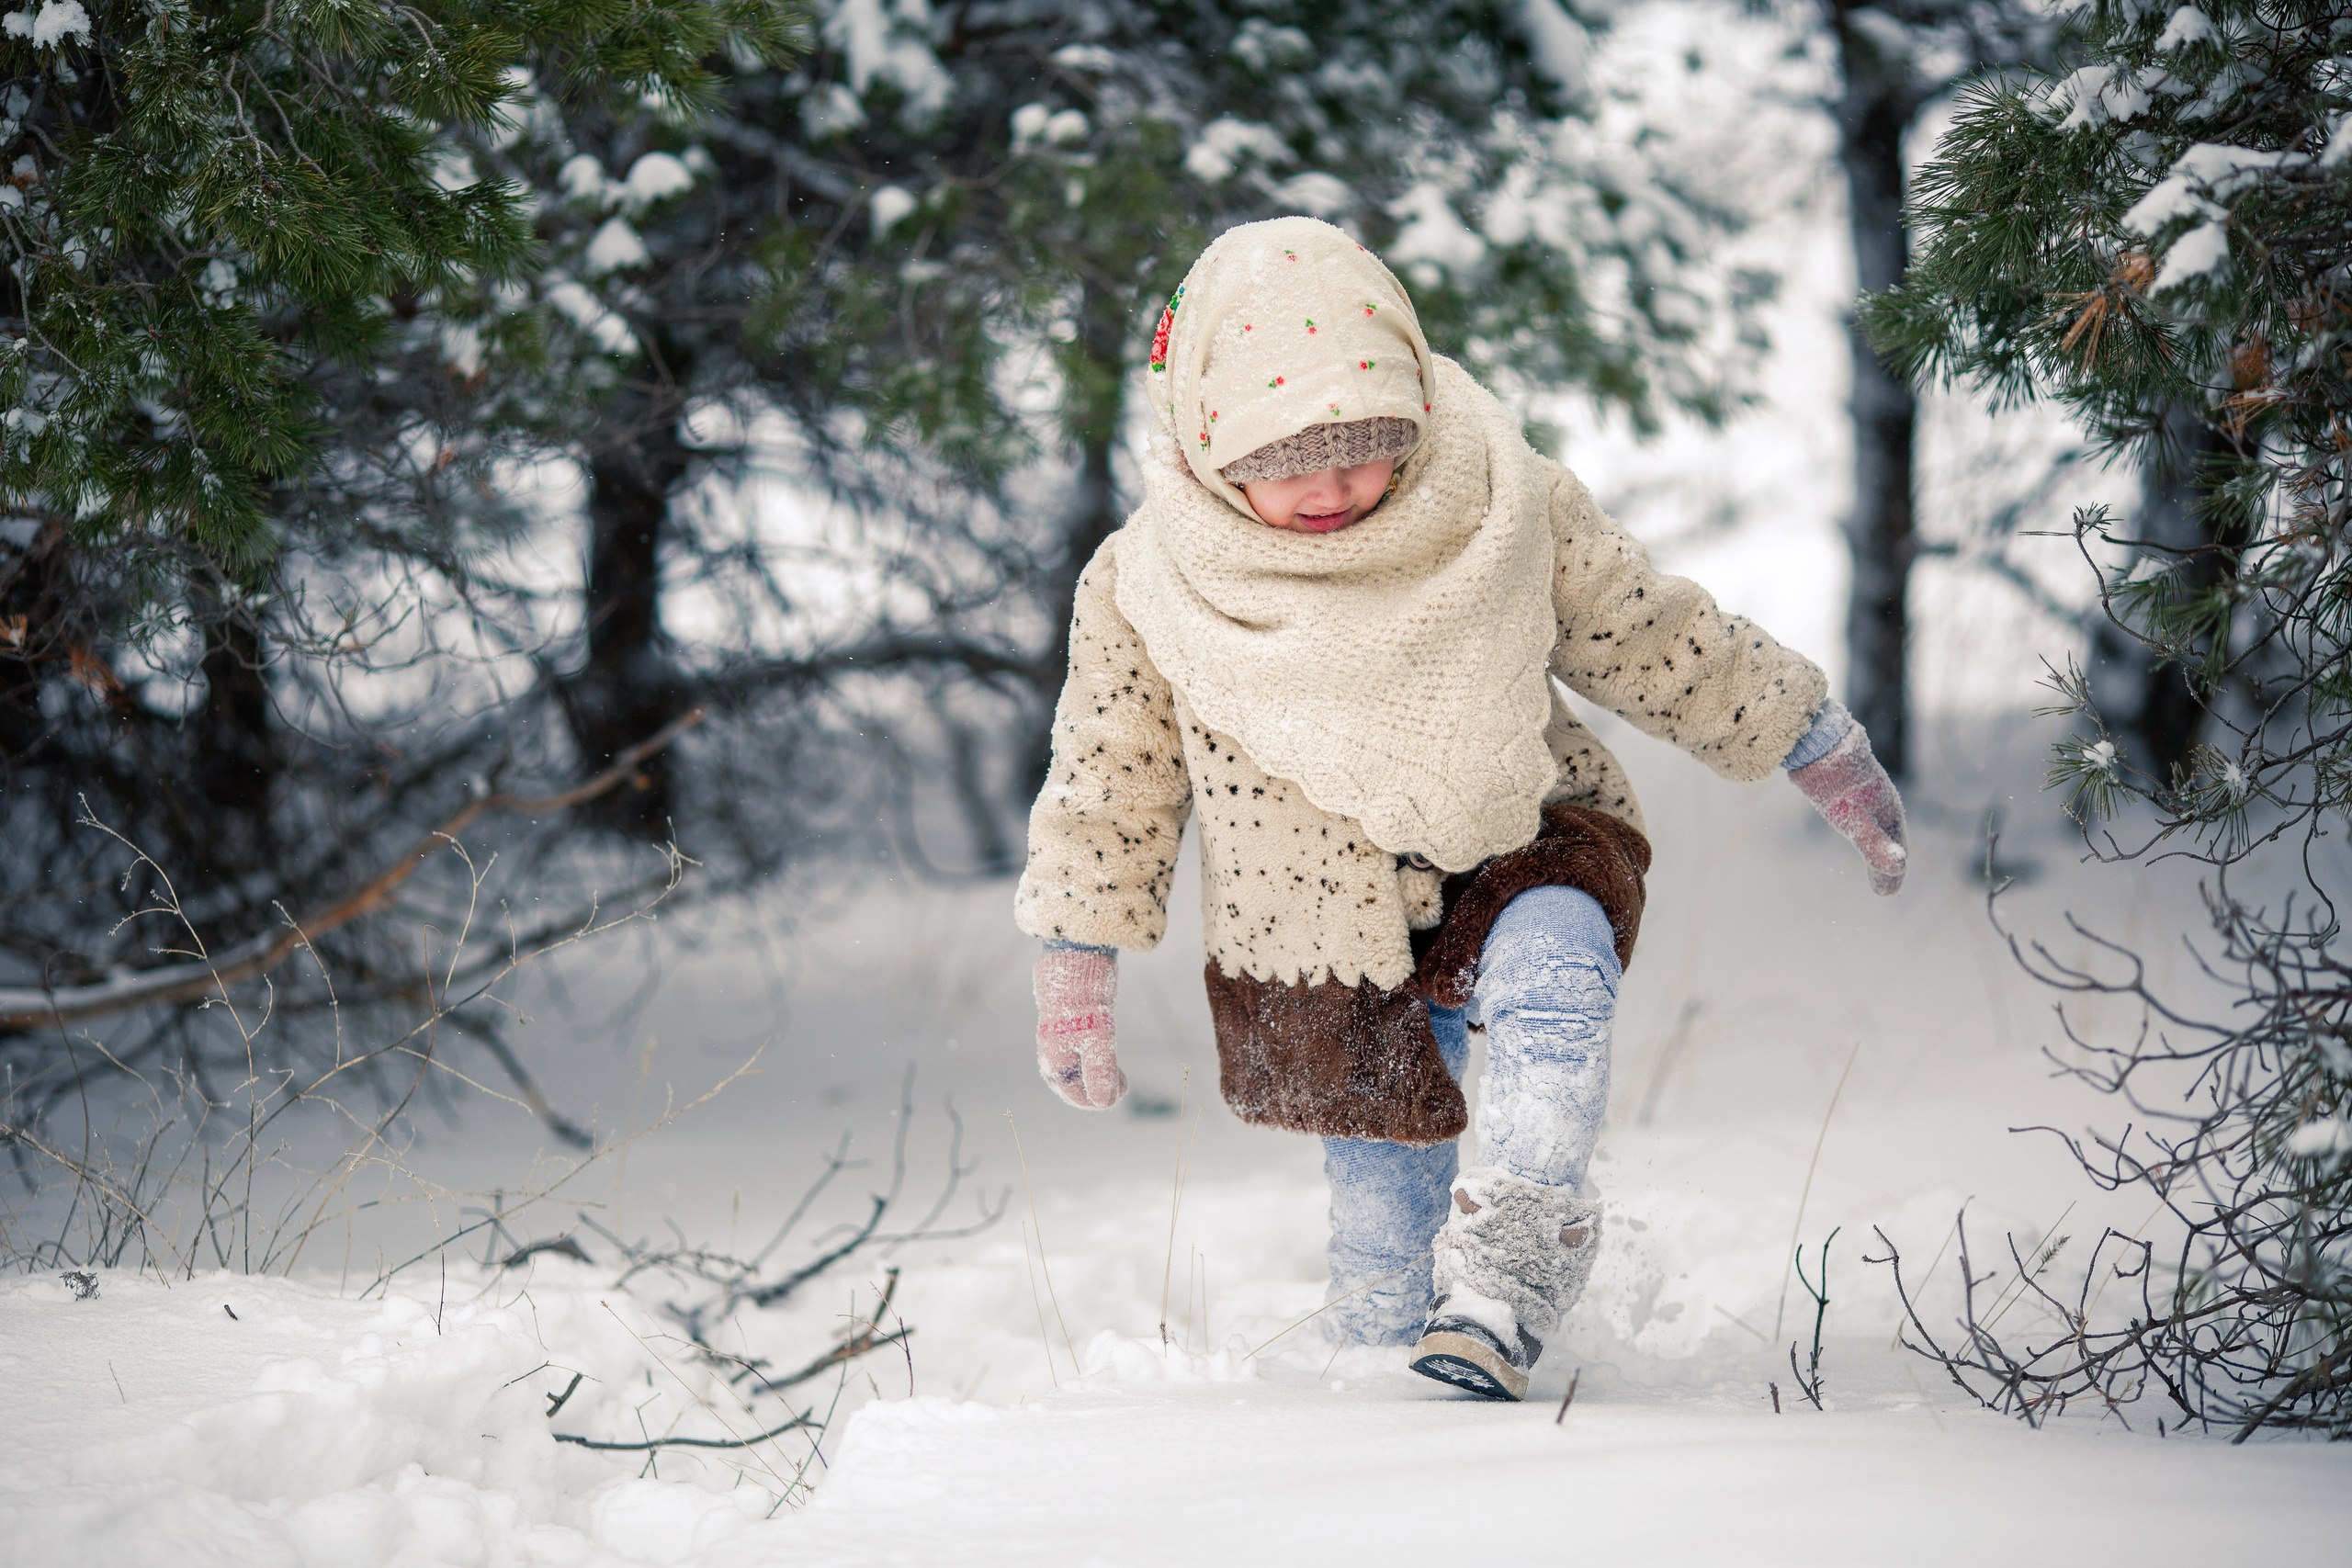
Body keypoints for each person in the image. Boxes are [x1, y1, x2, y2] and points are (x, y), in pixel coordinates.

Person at [1012, 217, 1906, 1401]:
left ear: (1419, 413)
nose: (1331, 486)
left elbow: (1652, 634)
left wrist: (1807, 736)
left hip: (1522, 838)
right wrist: (1077, 961)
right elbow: (1106, 785)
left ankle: (1512, 1265)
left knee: (1558, 977)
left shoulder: (1502, 505)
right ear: (1207, 442)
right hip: (1313, 924)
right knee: (1383, 1220)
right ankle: (1397, 1370)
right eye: (1285, 461)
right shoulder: (1147, 587)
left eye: (1370, 446)